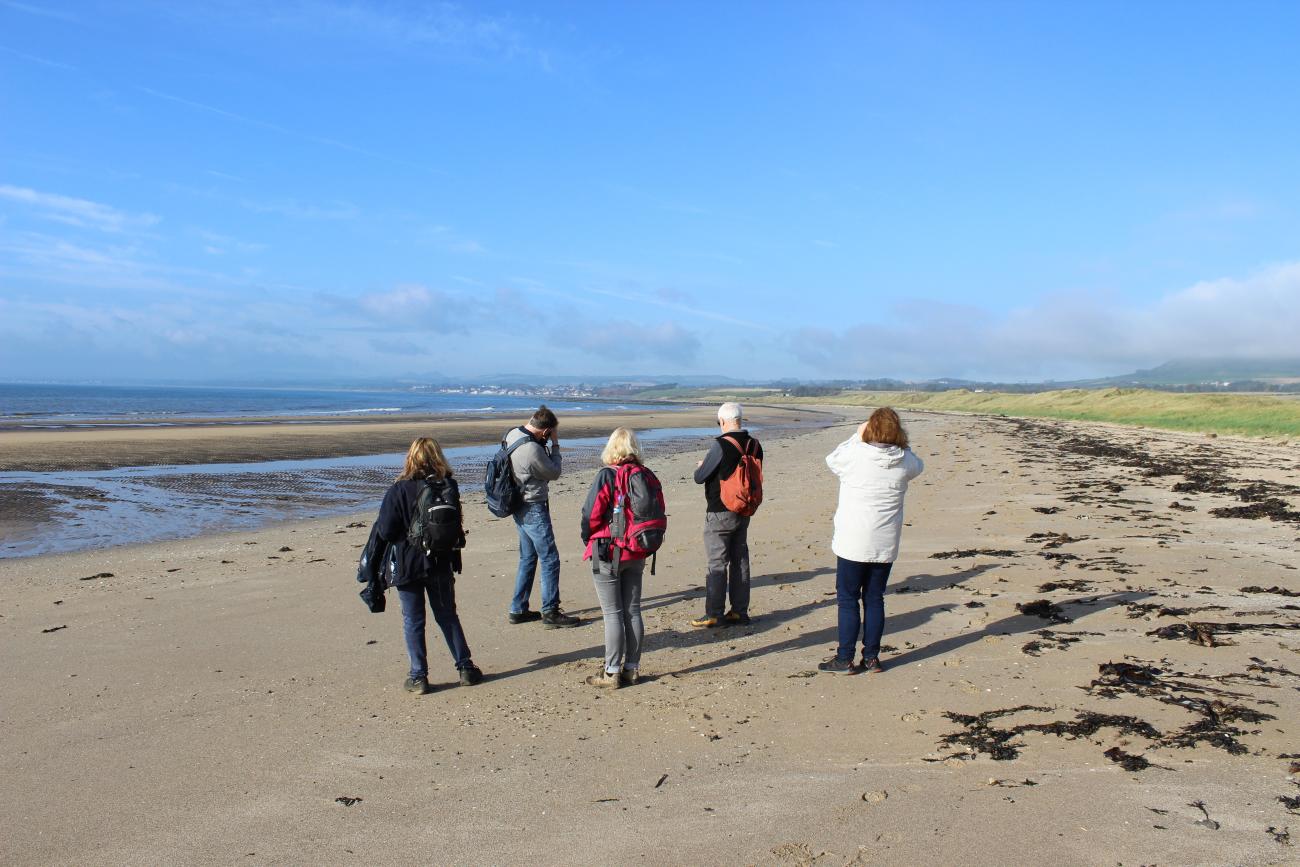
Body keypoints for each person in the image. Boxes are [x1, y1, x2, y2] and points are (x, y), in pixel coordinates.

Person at [818, 407, 924, 674]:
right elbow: (916, 463)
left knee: (848, 599)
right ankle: (872, 657)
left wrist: (856, 436)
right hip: (883, 543)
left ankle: (845, 658)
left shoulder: (855, 454)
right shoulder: (904, 461)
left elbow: (832, 459)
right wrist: (900, 442)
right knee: (875, 598)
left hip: (853, 541)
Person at [375, 437, 483, 694]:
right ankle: (465, 667)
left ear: (410, 458)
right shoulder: (449, 486)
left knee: (413, 620)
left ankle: (418, 675)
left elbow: (386, 530)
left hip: (408, 563)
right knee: (447, 615)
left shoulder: (399, 489)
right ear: (438, 457)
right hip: (441, 561)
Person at [579, 428, 663, 688]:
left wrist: (588, 537)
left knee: (613, 613)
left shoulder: (606, 475)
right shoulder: (646, 475)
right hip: (637, 549)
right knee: (632, 611)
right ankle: (631, 668)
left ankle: (611, 671)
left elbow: (591, 514)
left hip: (607, 549)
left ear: (611, 449)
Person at [504, 406, 580, 628]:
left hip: (518, 504)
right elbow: (554, 472)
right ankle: (550, 611)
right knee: (550, 558)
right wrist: (555, 445)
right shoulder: (532, 450)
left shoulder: (512, 434)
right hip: (532, 505)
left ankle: (518, 608)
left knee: (528, 557)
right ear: (546, 431)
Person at [690, 402, 763, 628]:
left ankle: (714, 613)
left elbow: (700, 477)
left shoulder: (721, 445)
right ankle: (740, 612)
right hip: (745, 508)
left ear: (722, 421)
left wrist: (702, 465)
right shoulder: (754, 444)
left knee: (717, 563)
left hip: (720, 511)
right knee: (740, 560)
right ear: (740, 420)